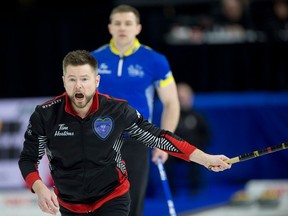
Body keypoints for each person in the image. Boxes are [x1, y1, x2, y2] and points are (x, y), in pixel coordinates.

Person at [18, 50, 231, 216]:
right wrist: (40, 188)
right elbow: (28, 159)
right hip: (70, 204)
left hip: (113, 197)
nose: (78, 86)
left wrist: (204, 158)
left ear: (97, 81)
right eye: (72, 79)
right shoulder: (45, 115)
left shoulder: (117, 110)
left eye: (84, 78)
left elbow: (158, 136)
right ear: (64, 80)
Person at [90, 5, 180, 216]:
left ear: (138, 28)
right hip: (99, 139)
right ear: (110, 27)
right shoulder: (93, 59)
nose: (123, 28)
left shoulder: (155, 60)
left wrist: (164, 141)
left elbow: (171, 103)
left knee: (131, 206)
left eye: (128, 23)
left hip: (136, 140)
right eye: (118, 23)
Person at [166, 82, 211, 195]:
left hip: (194, 151)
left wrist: (200, 147)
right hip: (175, 151)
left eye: (184, 97)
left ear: (190, 98)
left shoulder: (197, 116)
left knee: (199, 159)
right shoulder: (171, 117)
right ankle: (171, 190)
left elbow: (207, 134)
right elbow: (165, 134)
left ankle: (195, 190)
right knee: (166, 158)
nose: (182, 100)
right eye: (179, 98)